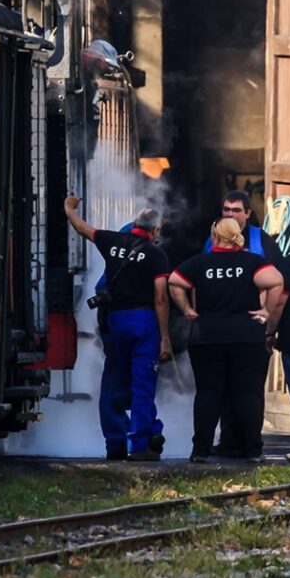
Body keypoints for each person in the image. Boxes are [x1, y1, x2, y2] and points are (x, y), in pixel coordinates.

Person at [64, 194, 171, 461]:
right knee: (142, 385)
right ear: (155, 230)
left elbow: (82, 228)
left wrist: (69, 209)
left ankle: (115, 443)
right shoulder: (156, 255)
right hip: (143, 321)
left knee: (113, 380)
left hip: (115, 322)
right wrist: (165, 337)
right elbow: (160, 297)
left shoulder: (112, 241)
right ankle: (141, 445)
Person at [169, 218, 284, 462]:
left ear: (215, 237)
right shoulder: (252, 262)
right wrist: (266, 311)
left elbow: (175, 281)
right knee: (247, 394)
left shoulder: (201, 263)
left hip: (206, 335)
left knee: (208, 393)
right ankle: (253, 451)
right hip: (245, 336)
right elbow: (275, 281)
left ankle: (200, 450)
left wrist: (187, 309)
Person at [204, 189, 288, 454]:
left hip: (253, 327)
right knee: (224, 388)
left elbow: (281, 286)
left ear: (248, 214)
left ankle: (251, 443)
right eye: (226, 210)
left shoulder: (262, 243)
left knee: (250, 388)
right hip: (220, 327)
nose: (230, 214)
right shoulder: (211, 242)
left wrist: (269, 324)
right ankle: (229, 441)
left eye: (236, 210)